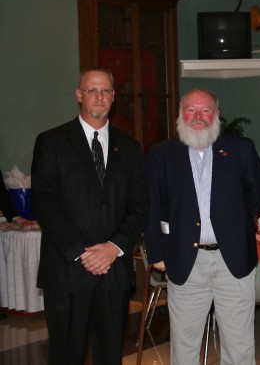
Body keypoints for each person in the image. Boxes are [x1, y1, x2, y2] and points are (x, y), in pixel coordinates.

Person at [31, 67, 148, 365]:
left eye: (106, 90)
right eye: (92, 90)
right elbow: (45, 203)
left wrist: (113, 248)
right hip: (67, 270)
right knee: (65, 356)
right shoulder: (51, 142)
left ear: (113, 97)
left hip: (114, 271)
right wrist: (82, 253)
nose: (99, 97)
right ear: (79, 95)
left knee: (110, 357)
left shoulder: (131, 148)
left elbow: (139, 206)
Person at [144, 88, 260, 365]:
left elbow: (259, 195)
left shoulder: (241, 149)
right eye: (191, 110)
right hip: (185, 262)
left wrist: (234, 225)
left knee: (239, 346)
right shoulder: (161, 154)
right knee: (184, 345)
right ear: (180, 115)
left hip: (233, 262)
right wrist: (156, 254)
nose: (198, 117)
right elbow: (152, 206)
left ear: (217, 115)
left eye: (205, 110)